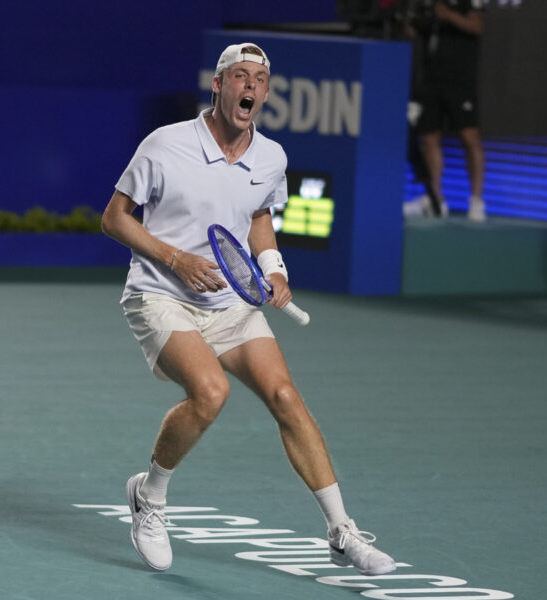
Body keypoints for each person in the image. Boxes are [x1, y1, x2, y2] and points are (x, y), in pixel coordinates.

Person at [101, 43, 396, 576]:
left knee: (285, 396)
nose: (251, 87)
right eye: (240, 76)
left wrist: (274, 268)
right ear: (218, 85)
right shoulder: (165, 144)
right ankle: (150, 496)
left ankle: (341, 532)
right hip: (160, 294)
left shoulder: (272, 157)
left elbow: (259, 217)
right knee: (211, 391)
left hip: (228, 304)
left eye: (260, 80)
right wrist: (175, 259)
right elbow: (115, 218)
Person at [404, 0, 486, 221]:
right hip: (431, 81)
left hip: (460, 82)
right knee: (430, 138)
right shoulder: (427, 4)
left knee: (470, 138)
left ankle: (477, 201)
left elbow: (477, 26)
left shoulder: (466, 3)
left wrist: (448, 15)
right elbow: (414, 30)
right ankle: (435, 199)